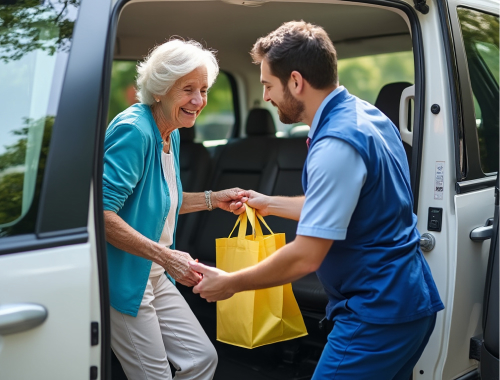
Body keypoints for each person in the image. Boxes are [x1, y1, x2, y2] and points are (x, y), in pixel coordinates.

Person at [190, 21, 445, 379]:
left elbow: (306, 257)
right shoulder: (367, 116)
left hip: (374, 315)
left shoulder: (335, 145)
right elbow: (345, 208)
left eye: (267, 85)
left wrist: (230, 283)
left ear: (296, 81)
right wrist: (269, 203)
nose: (264, 97)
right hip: (406, 303)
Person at [103, 39, 245, 380]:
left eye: (204, 90)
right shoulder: (134, 131)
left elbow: (159, 202)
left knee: (200, 359)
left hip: (153, 272)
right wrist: (167, 257)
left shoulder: (171, 131)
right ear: (160, 90)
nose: (198, 101)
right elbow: (101, 216)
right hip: (123, 276)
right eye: (188, 90)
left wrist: (214, 198)